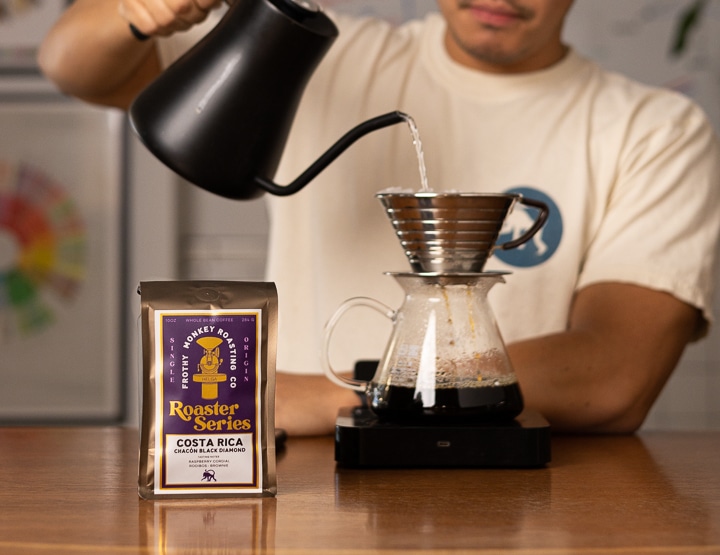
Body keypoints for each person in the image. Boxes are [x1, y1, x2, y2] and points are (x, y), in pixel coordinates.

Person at [38, 0, 720, 435]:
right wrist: (137, 9)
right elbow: (71, 64)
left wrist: (321, 398)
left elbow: (614, 378)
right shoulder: (324, 58)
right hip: (308, 493)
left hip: (527, 499)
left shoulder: (654, 128)